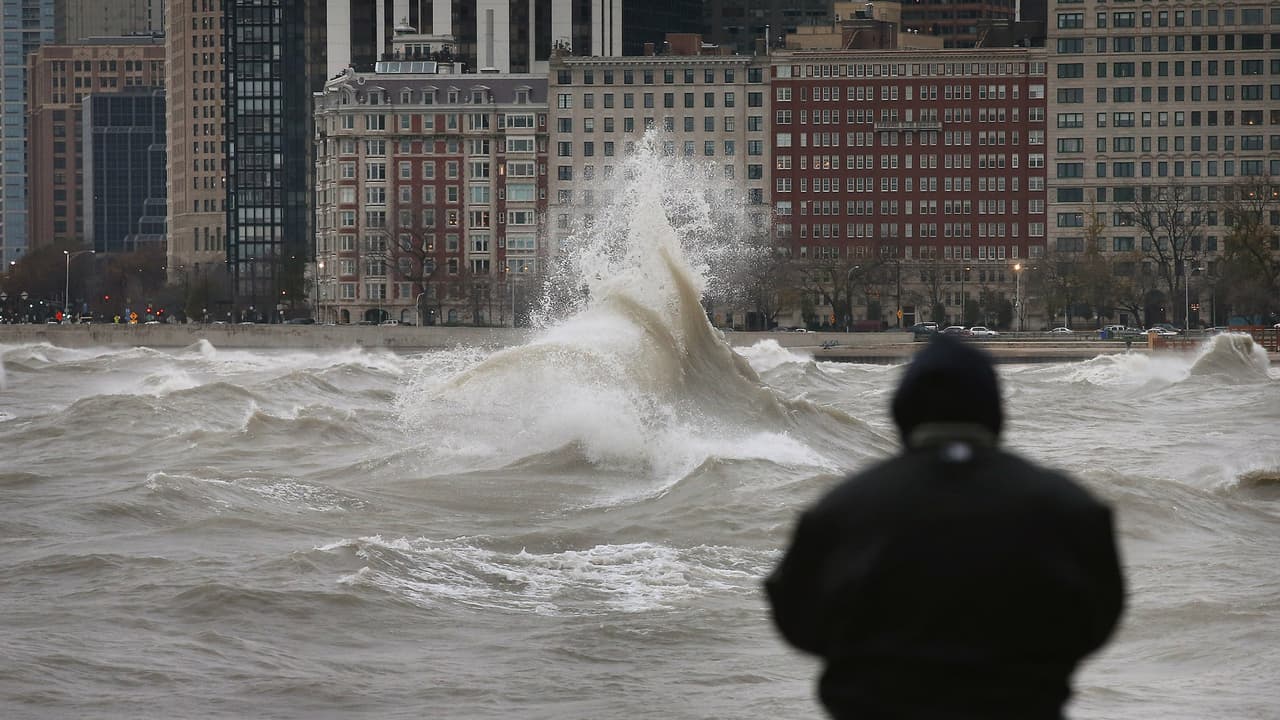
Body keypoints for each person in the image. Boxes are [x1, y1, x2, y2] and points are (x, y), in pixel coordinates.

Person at [765, 333, 1125, 719]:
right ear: (994, 410)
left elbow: (795, 614)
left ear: (903, 410)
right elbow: (1099, 615)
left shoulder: (845, 505)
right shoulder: (1065, 503)